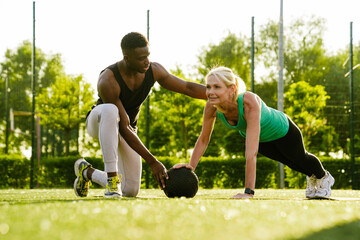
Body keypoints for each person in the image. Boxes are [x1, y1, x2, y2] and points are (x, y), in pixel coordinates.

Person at [74, 32, 207, 198]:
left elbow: (187, 87)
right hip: (99, 121)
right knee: (110, 110)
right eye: (141, 58)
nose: (146, 61)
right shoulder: (108, 79)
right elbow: (122, 126)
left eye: (148, 55)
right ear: (127, 58)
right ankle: (112, 183)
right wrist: (152, 161)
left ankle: (87, 172)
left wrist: (216, 94)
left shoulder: (154, 70)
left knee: (130, 190)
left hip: (128, 128)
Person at [174, 66, 335, 199]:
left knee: (300, 158)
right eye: (208, 86)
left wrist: (248, 192)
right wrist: (190, 168)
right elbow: (203, 140)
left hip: (283, 130)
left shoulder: (248, 101)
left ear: (232, 88)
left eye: (217, 87)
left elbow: (251, 153)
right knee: (290, 163)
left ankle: (323, 177)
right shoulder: (211, 107)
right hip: (263, 140)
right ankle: (313, 177)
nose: (210, 92)